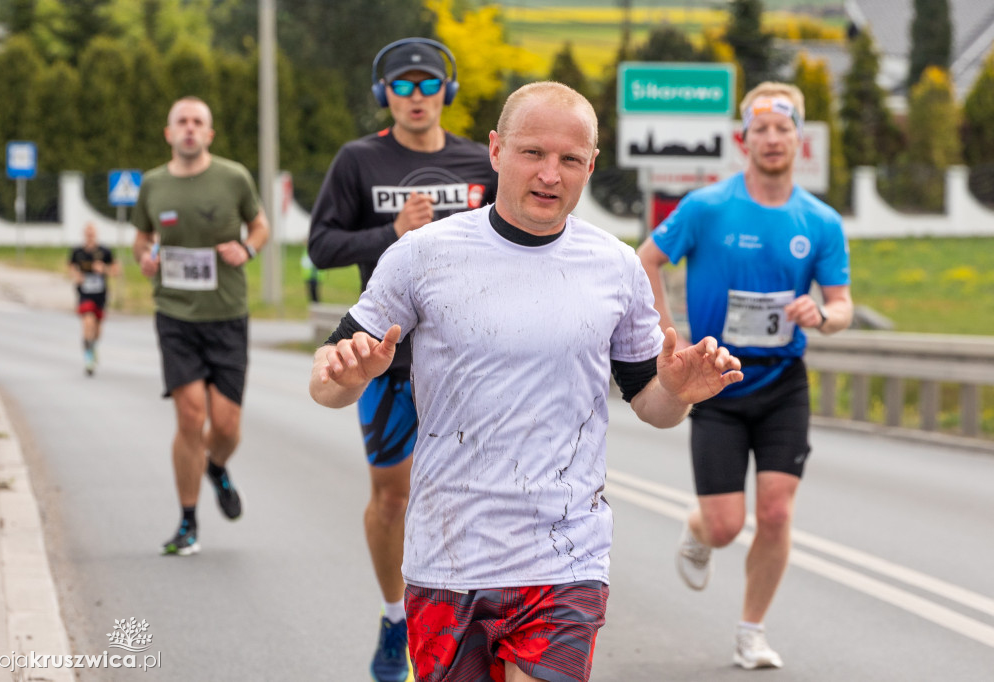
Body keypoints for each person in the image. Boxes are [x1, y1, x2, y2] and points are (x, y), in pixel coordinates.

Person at [310, 81, 743, 682]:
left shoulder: (615, 266)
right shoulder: (423, 255)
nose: (550, 174)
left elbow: (653, 404)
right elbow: (326, 382)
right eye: (532, 153)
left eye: (570, 160)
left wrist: (677, 391)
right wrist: (346, 376)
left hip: (566, 557)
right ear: (494, 150)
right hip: (449, 556)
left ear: (591, 166)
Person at [636, 82, 853, 670]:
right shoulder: (708, 206)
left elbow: (843, 304)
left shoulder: (821, 221)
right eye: (762, 130)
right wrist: (667, 329)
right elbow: (646, 258)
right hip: (718, 381)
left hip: (783, 382)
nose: (774, 139)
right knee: (727, 524)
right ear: (744, 139)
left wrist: (824, 314)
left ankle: (750, 632)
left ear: (798, 138)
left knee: (778, 512)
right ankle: (699, 528)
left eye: (784, 128)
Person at [306, 37, 498, 681]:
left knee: (474, 499)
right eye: (401, 85)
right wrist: (390, 233)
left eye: (426, 84)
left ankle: (471, 616)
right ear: (383, 93)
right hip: (389, 357)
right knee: (392, 499)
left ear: (446, 92)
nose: (415, 96)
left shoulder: (481, 164)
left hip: (471, 361)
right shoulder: (359, 160)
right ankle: (396, 618)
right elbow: (322, 246)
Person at [131, 96, 270, 557]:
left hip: (227, 315)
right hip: (175, 315)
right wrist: (145, 259)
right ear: (169, 133)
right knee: (190, 415)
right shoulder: (152, 185)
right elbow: (141, 238)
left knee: (226, 427)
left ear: (208, 134)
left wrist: (246, 250)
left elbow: (261, 226)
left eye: (198, 123)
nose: (189, 129)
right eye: (181, 122)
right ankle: (188, 522)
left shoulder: (233, 178)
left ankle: (217, 466)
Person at [68, 222, 119, 376]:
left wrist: (104, 269)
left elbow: (116, 271)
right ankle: (88, 358)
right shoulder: (77, 251)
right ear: (84, 234)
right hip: (84, 294)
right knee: (87, 322)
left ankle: (93, 346)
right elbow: (70, 267)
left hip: (100, 295)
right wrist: (76, 276)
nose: (90, 235)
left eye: (92, 232)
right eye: (87, 232)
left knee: (97, 331)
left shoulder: (104, 251)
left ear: (96, 234)